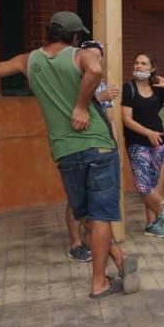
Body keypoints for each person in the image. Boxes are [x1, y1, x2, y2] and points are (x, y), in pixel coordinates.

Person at [0, 11, 138, 298]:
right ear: (74, 36)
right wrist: (82, 106)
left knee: (85, 214)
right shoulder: (79, 55)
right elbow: (95, 70)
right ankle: (99, 283)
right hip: (98, 145)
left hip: (64, 151)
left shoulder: (27, 60)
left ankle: (118, 257)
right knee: (101, 216)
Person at [122, 53, 164, 238]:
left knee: (152, 185)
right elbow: (126, 119)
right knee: (143, 186)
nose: (139, 66)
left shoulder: (158, 88)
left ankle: (152, 225)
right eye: (136, 63)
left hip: (158, 142)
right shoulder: (128, 89)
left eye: (144, 63)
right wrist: (147, 133)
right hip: (137, 142)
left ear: (152, 68)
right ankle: (163, 211)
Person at [64, 39, 118, 262]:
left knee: (98, 200)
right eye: (89, 55)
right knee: (76, 199)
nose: (94, 60)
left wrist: (115, 145)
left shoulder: (103, 84)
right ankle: (75, 243)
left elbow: (110, 118)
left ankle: (95, 242)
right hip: (76, 145)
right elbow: (71, 110)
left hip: (102, 147)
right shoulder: (71, 82)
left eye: (98, 56)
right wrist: (97, 98)